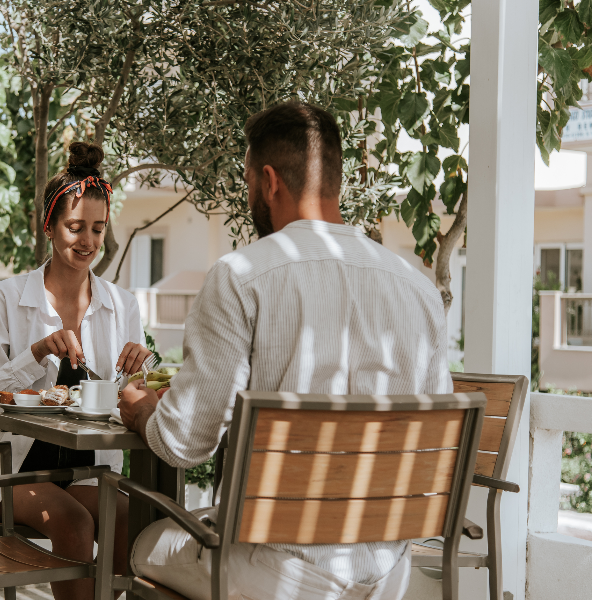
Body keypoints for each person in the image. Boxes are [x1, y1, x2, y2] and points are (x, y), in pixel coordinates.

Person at [119, 102, 452, 600]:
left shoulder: (241, 277)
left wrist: (144, 413)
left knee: (144, 540)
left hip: (278, 571)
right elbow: (434, 451)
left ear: (269, 181)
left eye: (248, 180)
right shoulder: (418, 288)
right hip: (387, 573)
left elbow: (186, 441)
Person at [0, 141, 151, 600]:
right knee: (74, 523)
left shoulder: (122, 305)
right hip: (12, 469)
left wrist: (139, 372)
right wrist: (33, 354)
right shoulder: (8, 297)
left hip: (88, 469)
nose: (88, 241)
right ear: (50, 228)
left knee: (132, 523)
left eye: (97, 228)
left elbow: (126, 398)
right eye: (76, 227)